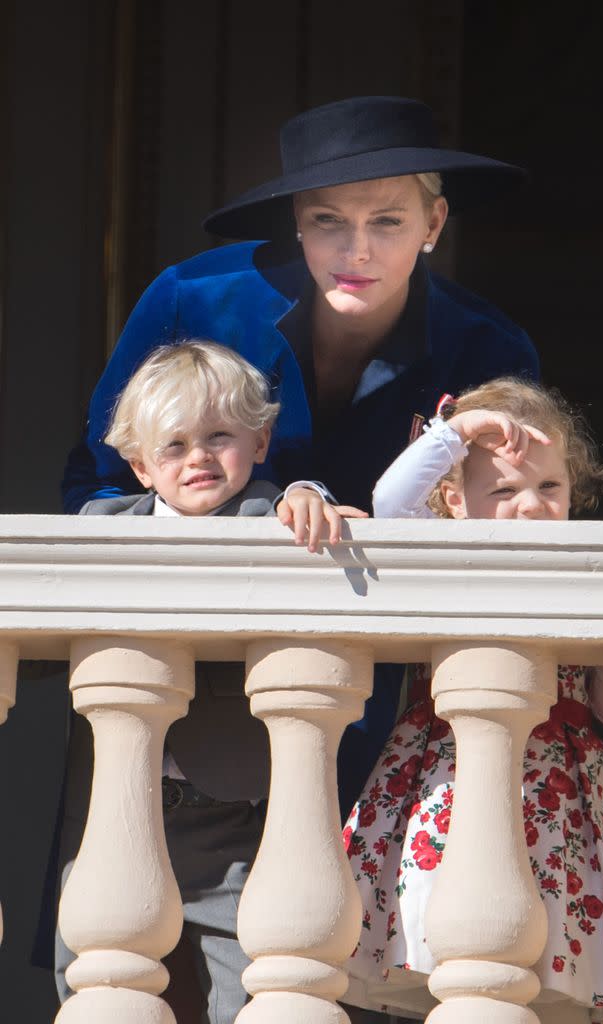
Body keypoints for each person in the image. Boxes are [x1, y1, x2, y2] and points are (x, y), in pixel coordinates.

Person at [61, 95, 540, 819]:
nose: (356, 252)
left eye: (387, 221)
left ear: (433, 223)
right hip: (181, 673)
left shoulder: (490, 350)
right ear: (296, 223)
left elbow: (513, 530)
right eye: (327, 222)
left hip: (385, 685)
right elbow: (94, 480)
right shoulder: (195, 300)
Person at [56, 339, 360, 1021]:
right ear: (137, 465)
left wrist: (309, 494)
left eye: (219, 437)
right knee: (91, 979)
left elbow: (299, 512)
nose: (197, 457)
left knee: (262, 983)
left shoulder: (270, 517)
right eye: (173, 446)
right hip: (118, 805)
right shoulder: (101, 529)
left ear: (259, 442)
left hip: (235, 816)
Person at [343, 378, 603, 1024]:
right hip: (451, 775)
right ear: (454, 500)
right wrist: (461, 433)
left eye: (548, 488)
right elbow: (390, 501)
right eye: (502, 491)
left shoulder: (583, 575)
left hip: (562, 791)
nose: (529, 506)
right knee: (458, 953)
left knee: (562, 970)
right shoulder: (443, 558)